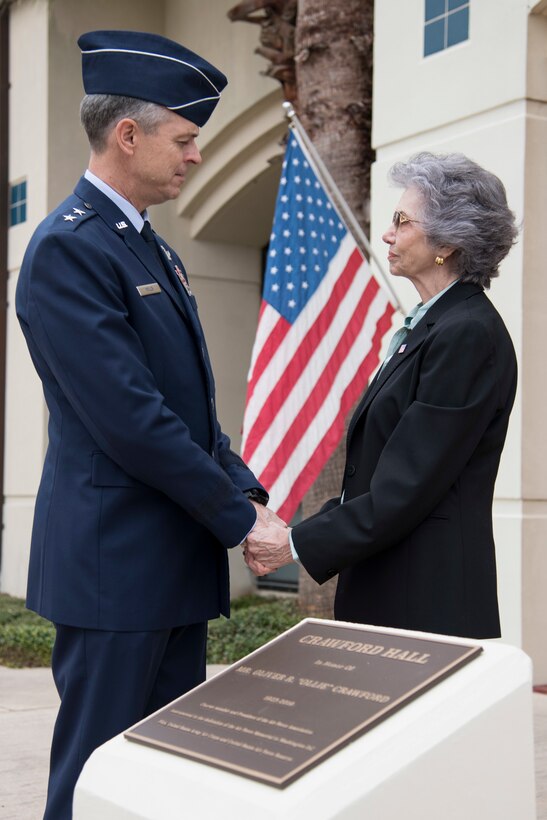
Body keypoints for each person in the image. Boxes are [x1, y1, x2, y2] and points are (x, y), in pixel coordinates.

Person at [16, 30, 280, 820]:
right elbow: (131, 421)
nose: (196, 156)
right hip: (116, 568)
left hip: (164, 564)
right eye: (186, 138)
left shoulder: (146, 249)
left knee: (159, 782)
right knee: (96, 779)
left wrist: (247, 491)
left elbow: (187, 411)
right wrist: (239, 519)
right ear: (127, 136)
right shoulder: (69, 250)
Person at [245, 151, 518, 641]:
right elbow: (378, 480)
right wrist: (300, 533)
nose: (388, 234)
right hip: (392, 586)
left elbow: (405, 488)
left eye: (401, 221)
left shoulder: (466, 334)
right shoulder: (435, 327)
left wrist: (295, 544)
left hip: (426, 603)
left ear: (449, 242)